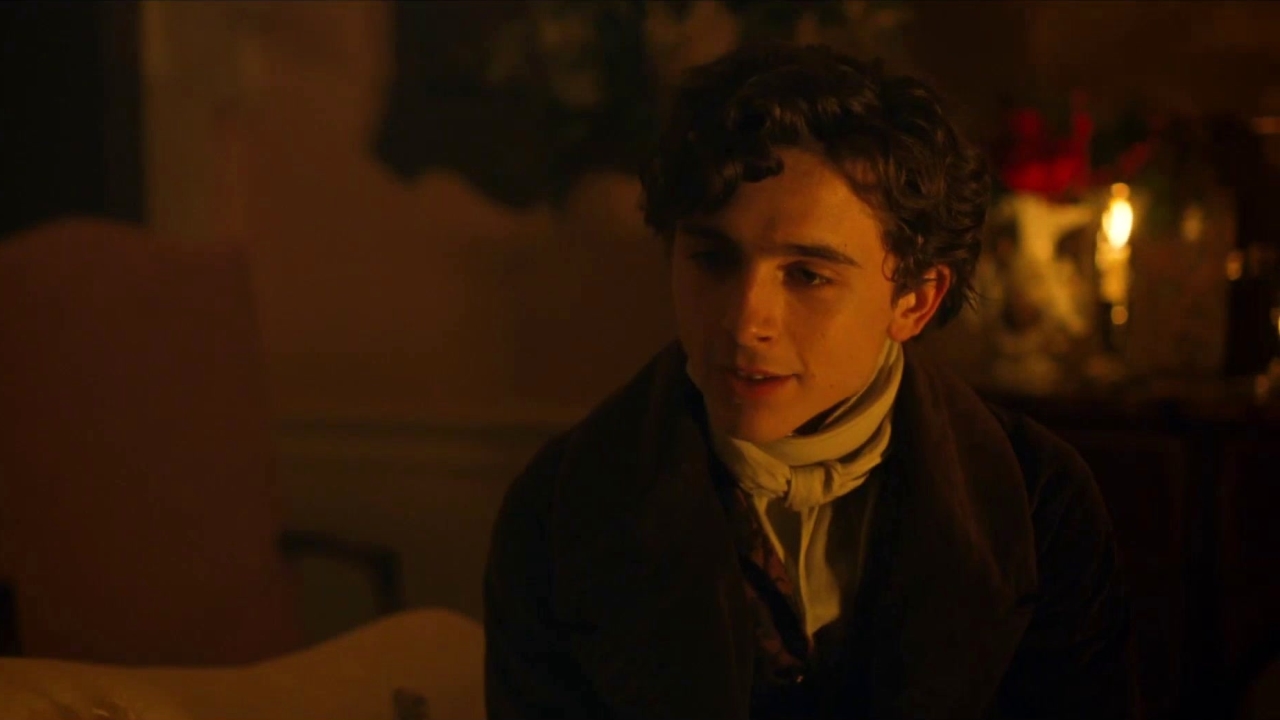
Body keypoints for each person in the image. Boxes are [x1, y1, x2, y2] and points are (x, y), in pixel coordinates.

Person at [483, 42, 1135, 719]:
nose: (745, 322)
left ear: (915, 300)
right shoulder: (563, 506)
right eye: (713, 259)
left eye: (808, 275)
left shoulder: (1036, 502)